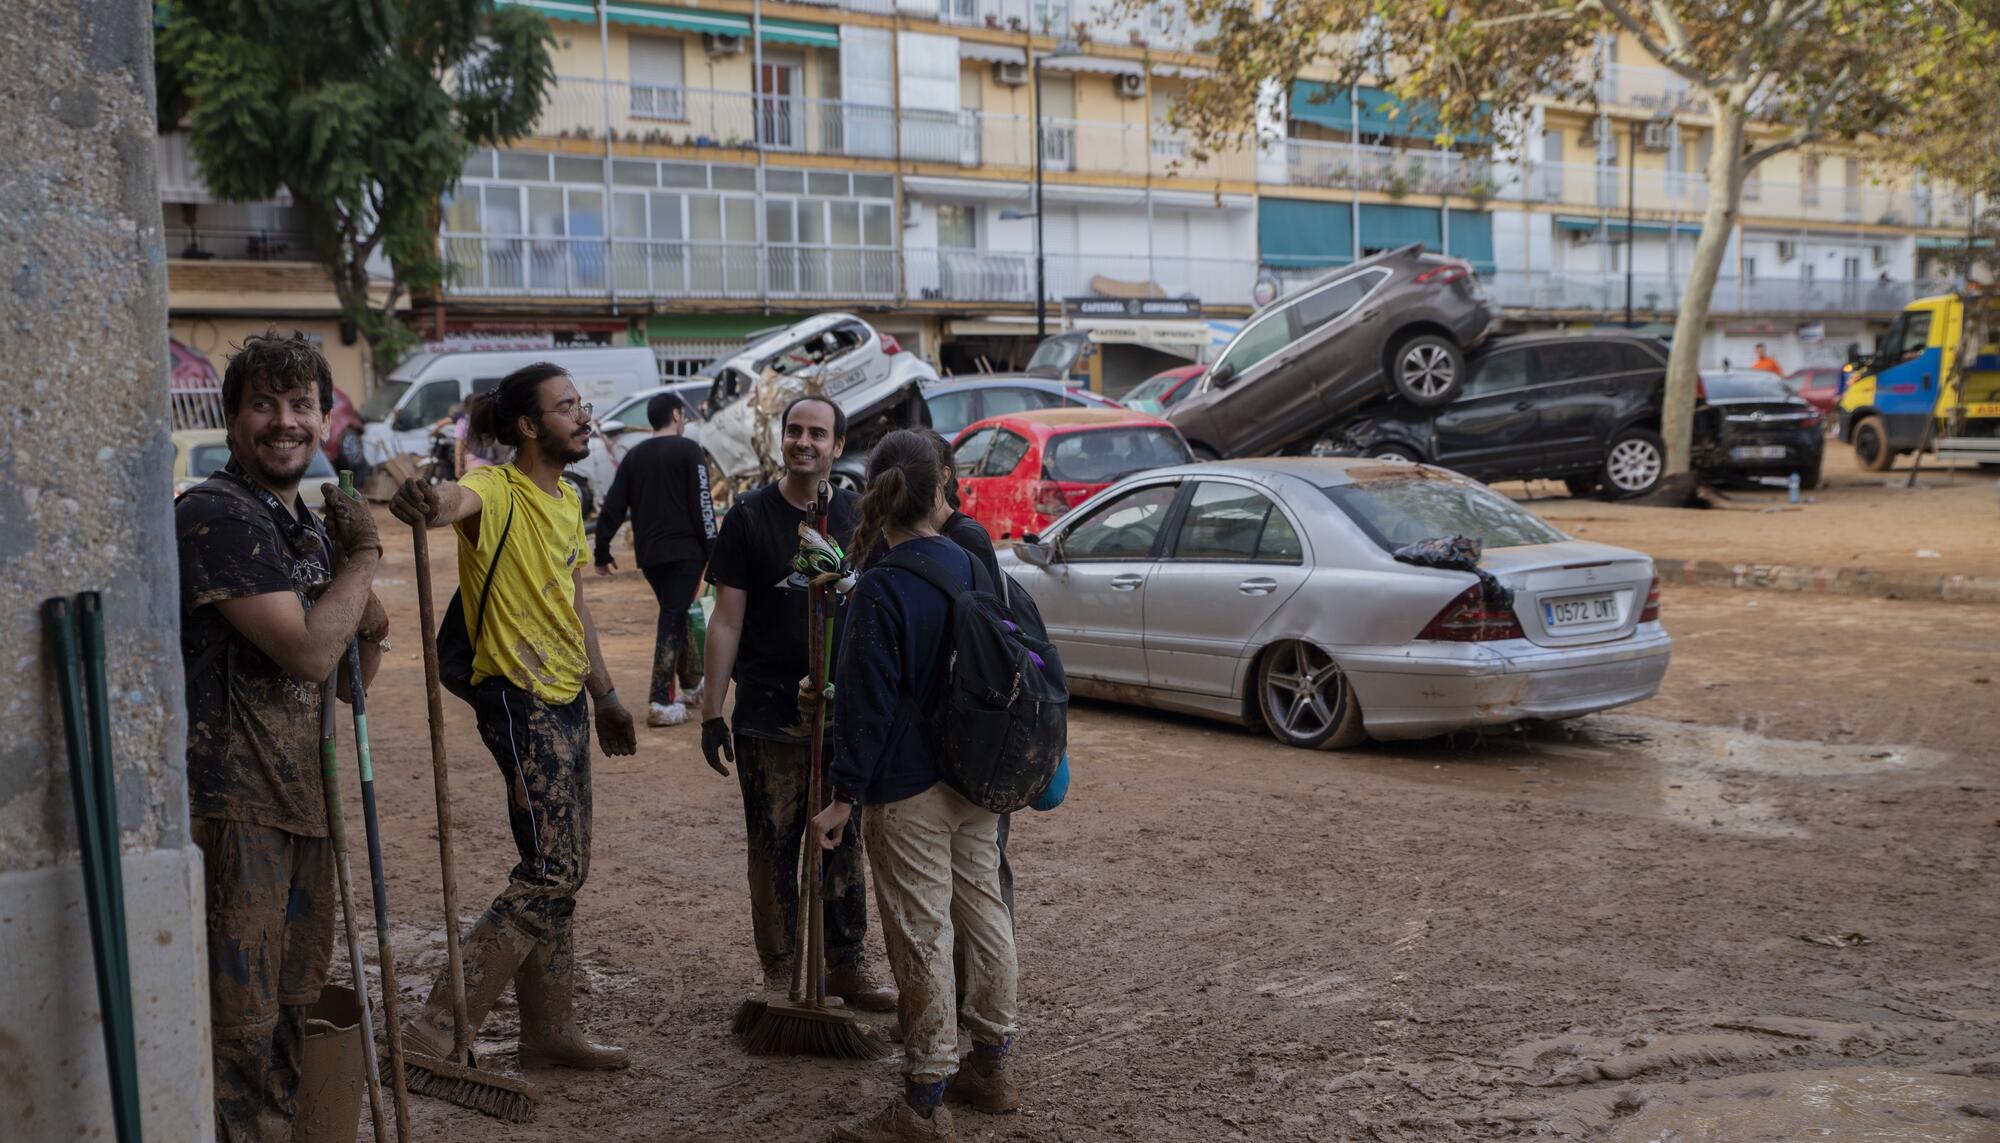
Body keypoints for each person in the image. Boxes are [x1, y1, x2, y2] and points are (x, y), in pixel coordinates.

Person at [391, 362, 639, 1071]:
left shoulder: (566, 500)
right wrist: (424, 501)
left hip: (564, 695)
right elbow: (451, 503)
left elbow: (573, 603)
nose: (583, 416)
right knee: (553, 868)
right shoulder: (497, 487)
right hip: (518, 699)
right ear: (528, 426)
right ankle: (438, 1020)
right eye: (566, 408)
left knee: (563, 866)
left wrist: (606, 693)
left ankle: (548, 1031)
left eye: (580, 404)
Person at [176, 330, 387, 1141]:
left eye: (301, 404)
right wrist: (363, 561)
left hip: (304, 804)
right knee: (239, 1026)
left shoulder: (304, 527)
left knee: (295, 1014)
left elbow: (344, 675)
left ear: (325, 417)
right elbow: (303, 650)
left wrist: (363, 616)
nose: (284, 421)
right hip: (235, 810)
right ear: (232, 420)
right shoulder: (217, 514)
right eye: (263, 403)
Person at [812, 430, 1021, 1142]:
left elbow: (864, 706)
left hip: (907, 788)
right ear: (940, 492)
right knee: (985, 913)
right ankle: (990, 1067)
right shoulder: (971, 564)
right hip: (976, 774)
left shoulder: (880, 586)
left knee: (922, 933)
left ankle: (926, 1100)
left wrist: (842, 795)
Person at [698, 396, 896, 1010]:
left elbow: (884, 613)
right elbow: (725, 620)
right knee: (774, 842)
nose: (803, 442)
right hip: (767, 713)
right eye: (794, 431)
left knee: (843, 839)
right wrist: (710, 709)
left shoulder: (864, 518)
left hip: (846, 717)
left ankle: (845, 963)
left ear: (838, 447)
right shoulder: (748, 518)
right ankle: (779, 966)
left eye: (818, 433)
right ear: (781, 440)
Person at [593, 392, 716, 727]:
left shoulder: (634, 456)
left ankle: (690, 685)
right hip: (686, 554)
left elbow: (613, 506)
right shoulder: (689, 450)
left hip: (650, 557)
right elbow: (703, 505)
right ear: (676, 415)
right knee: (674, 618)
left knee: (676, 612)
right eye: (683, 415)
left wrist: (602, 550)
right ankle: (660, 699)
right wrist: (714, 552)